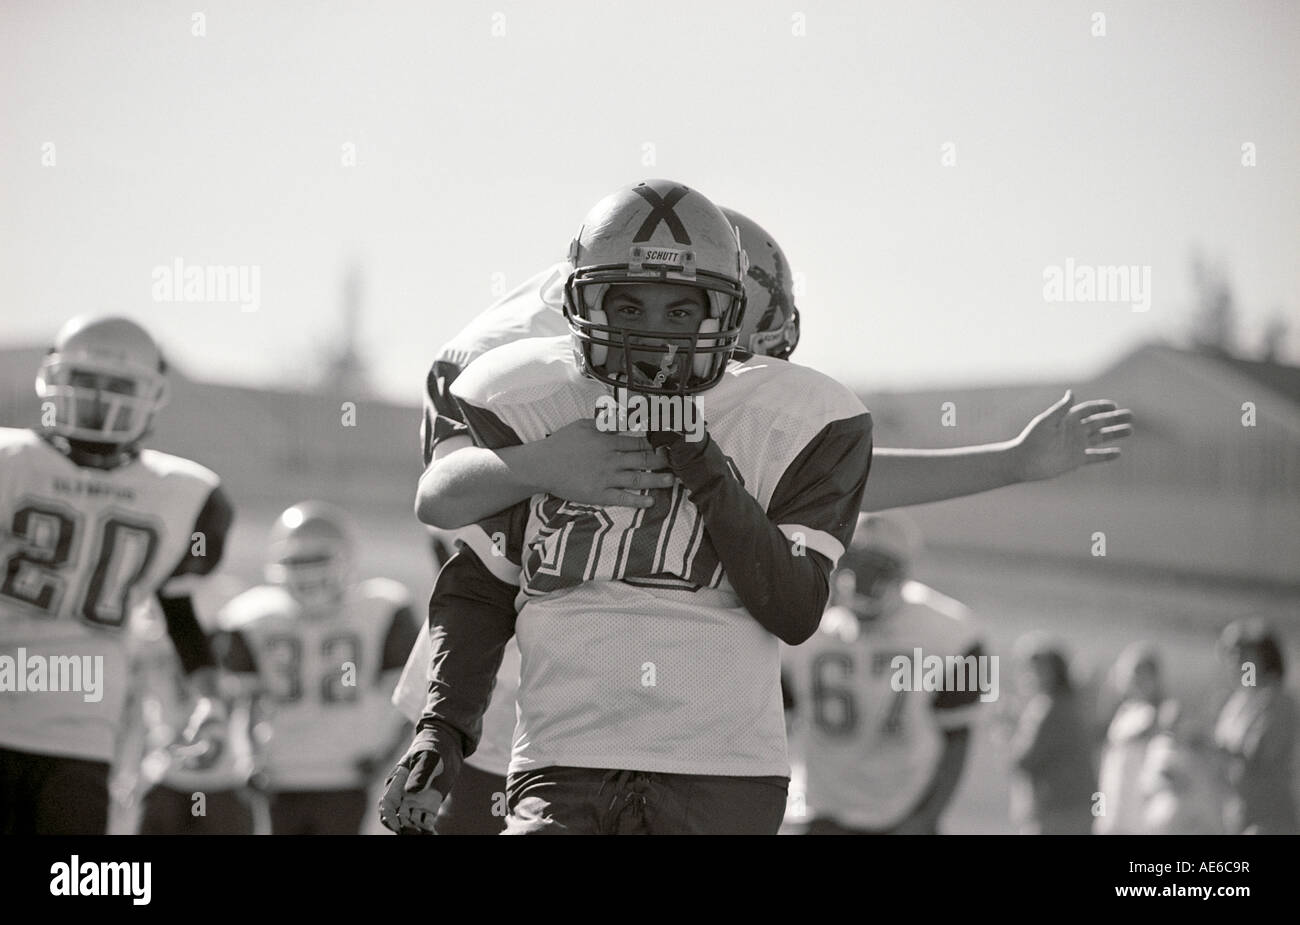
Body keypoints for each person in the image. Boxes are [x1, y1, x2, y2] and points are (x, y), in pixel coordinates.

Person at [390, 204, 1133, 833]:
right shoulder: (527, 363)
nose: (739, 384)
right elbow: (453, 508)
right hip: (515, 691)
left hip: (650, 729)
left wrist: (1009, 460)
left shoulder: (662, 354)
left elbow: (817, 481)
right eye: (748, 360)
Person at [383, 178, 875, 834]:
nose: (654, 335)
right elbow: (477, 585)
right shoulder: (536, 401)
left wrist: (697, 456)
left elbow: (793, 607)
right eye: (629, 305)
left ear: (725, 316)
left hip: (722, 772)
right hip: (557, 758)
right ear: (580, 304)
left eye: (680, 312)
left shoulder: (789, 420)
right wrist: (441, 726)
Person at [0, 315, 233, 834]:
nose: (100, 399)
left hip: (81, 732)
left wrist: (209, 701)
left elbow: (178, 613)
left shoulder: (186, 495)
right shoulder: (10, 461)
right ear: (54, 379)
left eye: (118, 385)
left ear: (151, 395)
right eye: (85, 380)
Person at [218, 501, 418, 835]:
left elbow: (408, 700)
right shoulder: (254, 617)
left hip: (350, 770)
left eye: (316, 560)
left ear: (345, 560)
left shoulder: (381, 610)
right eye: (297, 562)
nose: (307, 572)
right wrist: (247, 758)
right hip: (281, 772)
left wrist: (387, 756)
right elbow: (245, 702)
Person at [782, 512, 984, 834]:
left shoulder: (954, 633)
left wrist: (925, 818)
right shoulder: (804, 626)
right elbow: (770, 728)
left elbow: (958, 735)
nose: (859, 580)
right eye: (853, 564)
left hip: (905, 807)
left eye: (873, 569)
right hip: (821, 809)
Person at [1213, 618, 1298, 835]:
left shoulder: (1278, 702)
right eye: (1230, 654)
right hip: (1237, 817)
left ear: (1263, 655)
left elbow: (1258, 756)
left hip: (1268, 821)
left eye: (1242, 654)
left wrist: (1206, 746)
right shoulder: (1239, 701)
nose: (1235, 661)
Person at [1007, 634, 1095, 834]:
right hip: (1073, 806)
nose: (1029, 675)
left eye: (1037, 669)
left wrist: (1006, 732)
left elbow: (1023, 760)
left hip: (1058, 808)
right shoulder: (1066, 702)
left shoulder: (1049, 708)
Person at [1093, 642, 1168, 834]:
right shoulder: (1124, 713)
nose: (1136, 679)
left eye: (1143, 673)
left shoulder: (1159, 715)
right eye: (1132, 673)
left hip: (1140, 818)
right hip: (1114, 811)